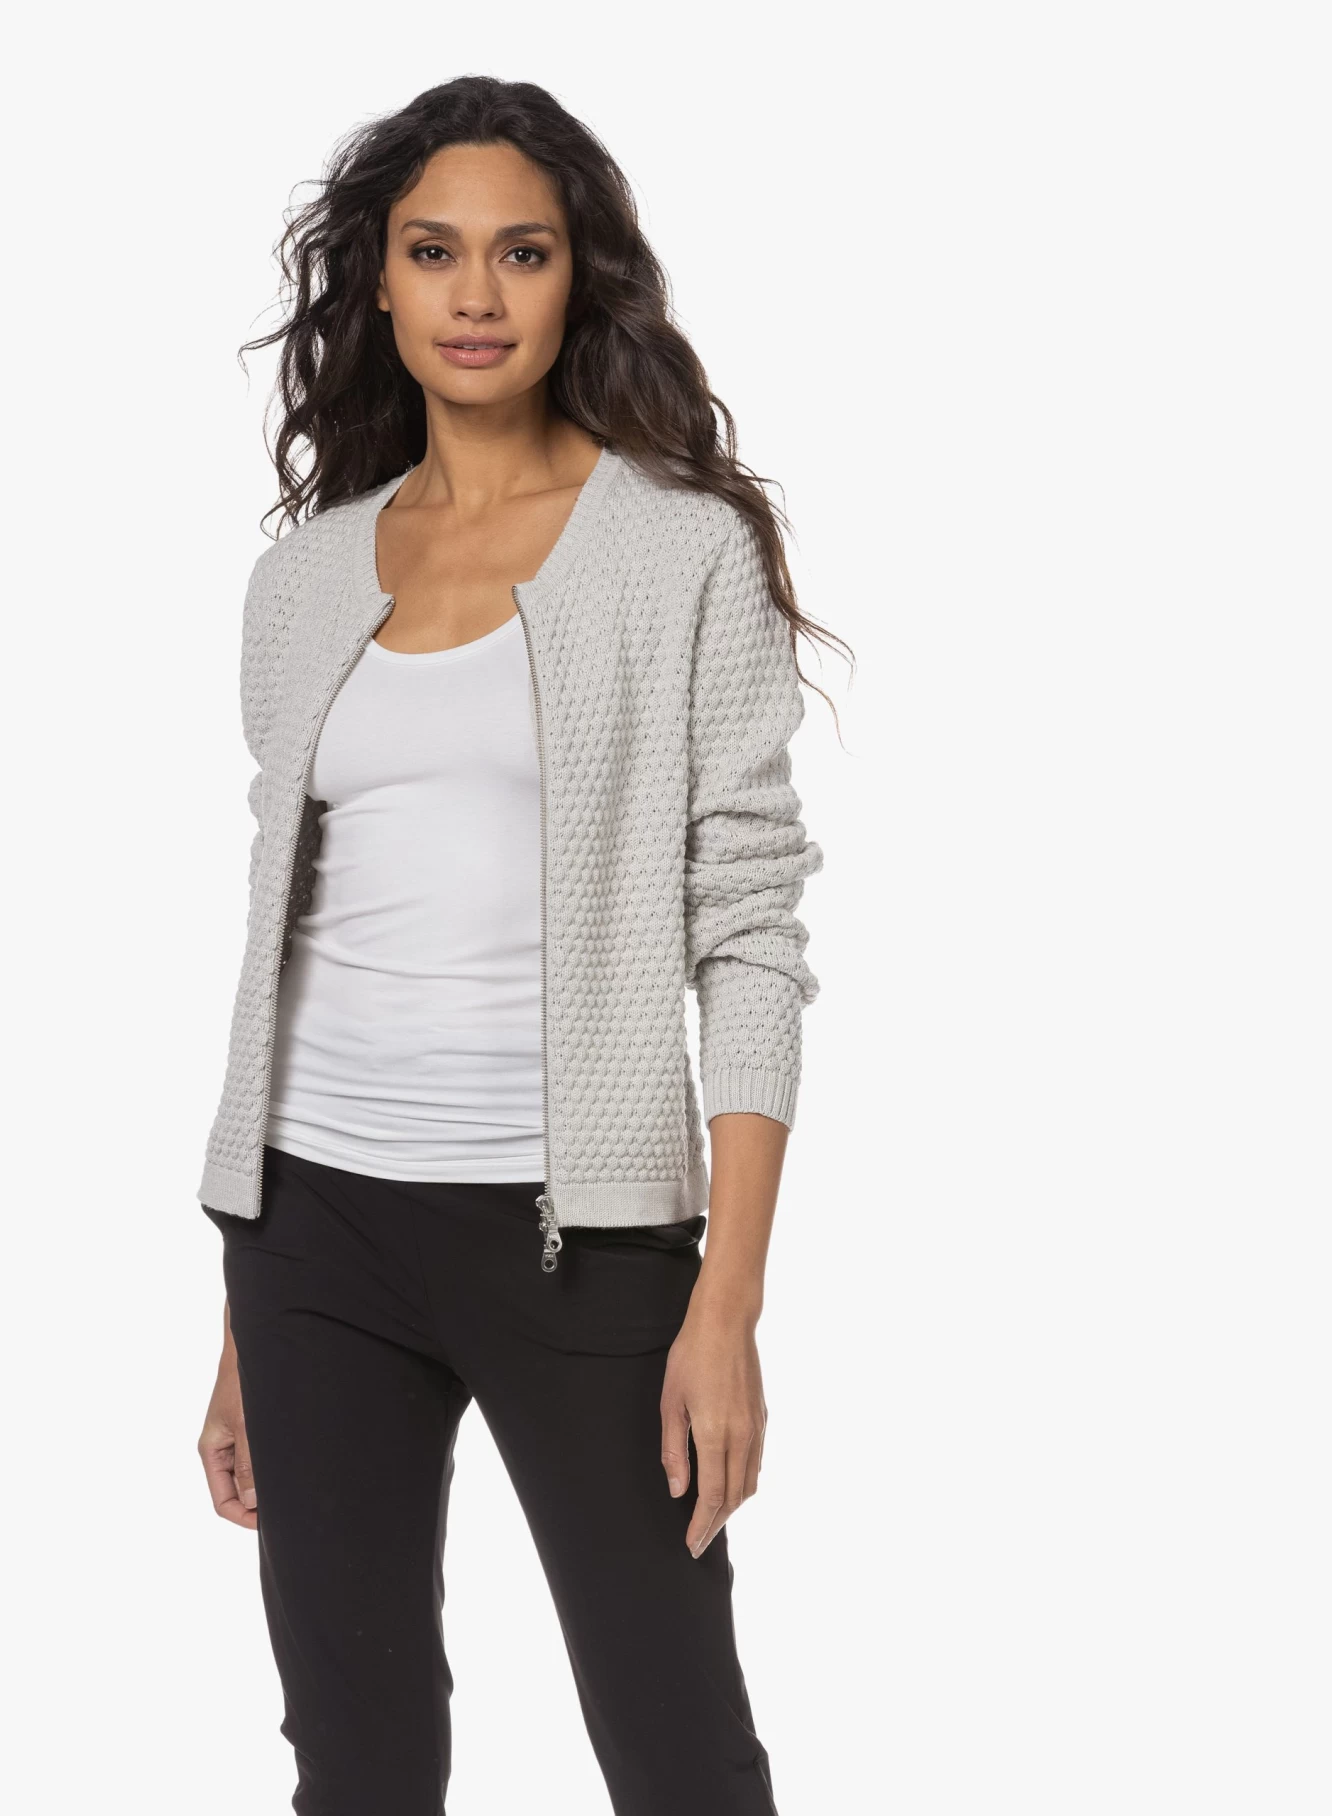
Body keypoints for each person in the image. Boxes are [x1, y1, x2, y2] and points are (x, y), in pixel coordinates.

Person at [195, 74, 846, 1816]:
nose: (475, 295)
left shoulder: (678, 550)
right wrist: (243, 1320)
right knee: (355, 1761)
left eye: (522, 252)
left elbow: (751, 932)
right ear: (381, 282)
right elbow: (290, 936)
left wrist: (727, 1304)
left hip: (584, 1245)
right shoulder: (307, 578)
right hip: (312, 1231)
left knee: (678, 1751)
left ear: (579, 279)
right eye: (434, 252)